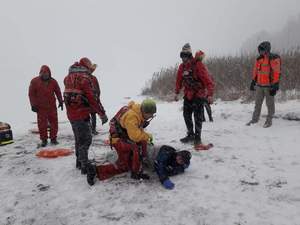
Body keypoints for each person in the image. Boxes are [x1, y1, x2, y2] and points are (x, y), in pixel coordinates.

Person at [86, 99, 156, 186]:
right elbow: (135, 136)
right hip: (118, 139)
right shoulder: (132, 116)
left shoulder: (138, 112)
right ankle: (95, 170)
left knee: (141, 144)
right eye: (150, 115)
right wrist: (148, 136)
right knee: (124, 165)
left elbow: (136, 131)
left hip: (124, 136)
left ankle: (138, 165)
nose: (150, 117)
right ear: (145, 112)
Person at [64, 57, 108, 174]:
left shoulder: (68, 78)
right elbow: (93, 98)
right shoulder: (84, 79)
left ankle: (79, 161)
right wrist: (102, 113)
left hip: (71, 114)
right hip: (81, 113)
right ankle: (84, 165)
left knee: (79, 139)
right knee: (86, 139)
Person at [174, 43, 214, 146]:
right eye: (182, 55)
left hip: (199, 94)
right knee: (186, 115)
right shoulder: (182, 67)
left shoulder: (198, 65)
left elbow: (207, 80)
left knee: (198, 117)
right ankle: (190, 134)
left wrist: (210, 94)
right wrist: (176, 92)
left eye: (185, 55)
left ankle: (197, 137)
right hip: (188, 94)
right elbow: (179, 80)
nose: (183, 58)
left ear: (189, 55)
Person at [247, 41, 281, 128]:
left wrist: (275, 85)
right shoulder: (259, 59)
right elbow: (256, 71)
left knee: (270, 105)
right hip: (259, 86)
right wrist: (253, 81)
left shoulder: (273, 58)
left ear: (267, 49)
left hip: (269, 86)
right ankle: (254, 119)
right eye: (260, 50)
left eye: (262, 50)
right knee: (257, 104)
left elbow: (277, 72)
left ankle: (269, 120)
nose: (260, 52)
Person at [29, 65, 63, 147]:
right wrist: (33, 105)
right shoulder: (34, 81)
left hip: (52, 106)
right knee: (42, 124)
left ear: (49, 73)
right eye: (42, 73)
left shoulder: (53, 81)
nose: (44, 75)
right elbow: (31, 94)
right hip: (41, 108)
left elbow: (58, 92)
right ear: (40, 73)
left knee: (54, 123)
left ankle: (53, 139)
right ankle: (44, 140)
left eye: (46, 73)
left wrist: (61, 101)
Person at [88, 65, 102, 135]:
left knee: (93, 115)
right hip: (86, 100)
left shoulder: (94, 78)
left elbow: (98, 89)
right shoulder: (84, 78)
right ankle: (90, 130)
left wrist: (97, 98)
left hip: (93, 100)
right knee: (87, 116)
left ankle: (93, 129)